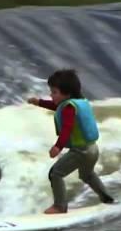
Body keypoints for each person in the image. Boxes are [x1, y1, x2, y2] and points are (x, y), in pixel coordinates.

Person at [28, 69, 114, 214]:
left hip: (80, 152)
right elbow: (56, 106)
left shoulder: (69, 108)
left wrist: (58, 146)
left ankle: (60, 206)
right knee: (87, 175)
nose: (51, 94)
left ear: (67, 94)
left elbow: (67, 128)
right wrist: (39, 102)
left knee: (55, 173)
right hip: (92, 149)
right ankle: (107, 198)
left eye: (54, 92)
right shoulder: (78, 102)